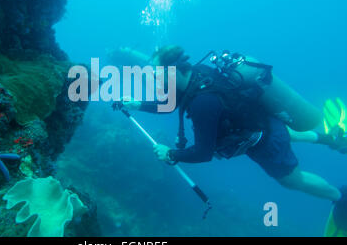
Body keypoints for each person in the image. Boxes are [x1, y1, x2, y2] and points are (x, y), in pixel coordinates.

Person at [122, 45, 347, 234]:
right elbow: (170, 104)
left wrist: (171, 154)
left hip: (263, 141)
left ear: (174, 71)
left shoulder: (203, 103)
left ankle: (339, 197)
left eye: (157, 73)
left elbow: (203, 152)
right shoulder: (195, 75)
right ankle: (333, 139)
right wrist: (137, 104)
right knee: (287, 134)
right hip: (259, 122)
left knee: (291, 180)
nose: (153, 78)